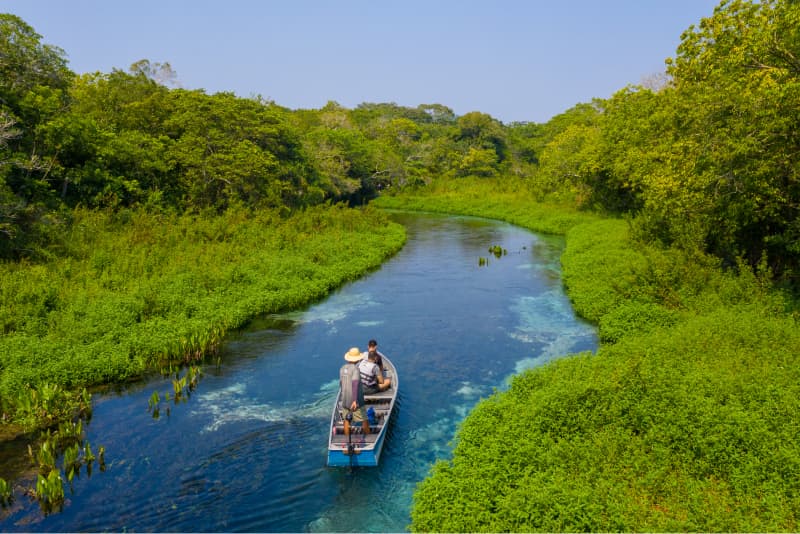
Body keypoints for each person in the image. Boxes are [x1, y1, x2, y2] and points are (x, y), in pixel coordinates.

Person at [339, 347, 370, 437]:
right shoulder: (355, 369)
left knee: (346, 420)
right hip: (355, 401)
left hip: (345, 400)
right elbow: (355, 383)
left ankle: (346, 439)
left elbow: (341, 383)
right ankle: (368, 436)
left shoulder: (342, 368)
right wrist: (354, 400)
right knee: (364, 419)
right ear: (357, 359)